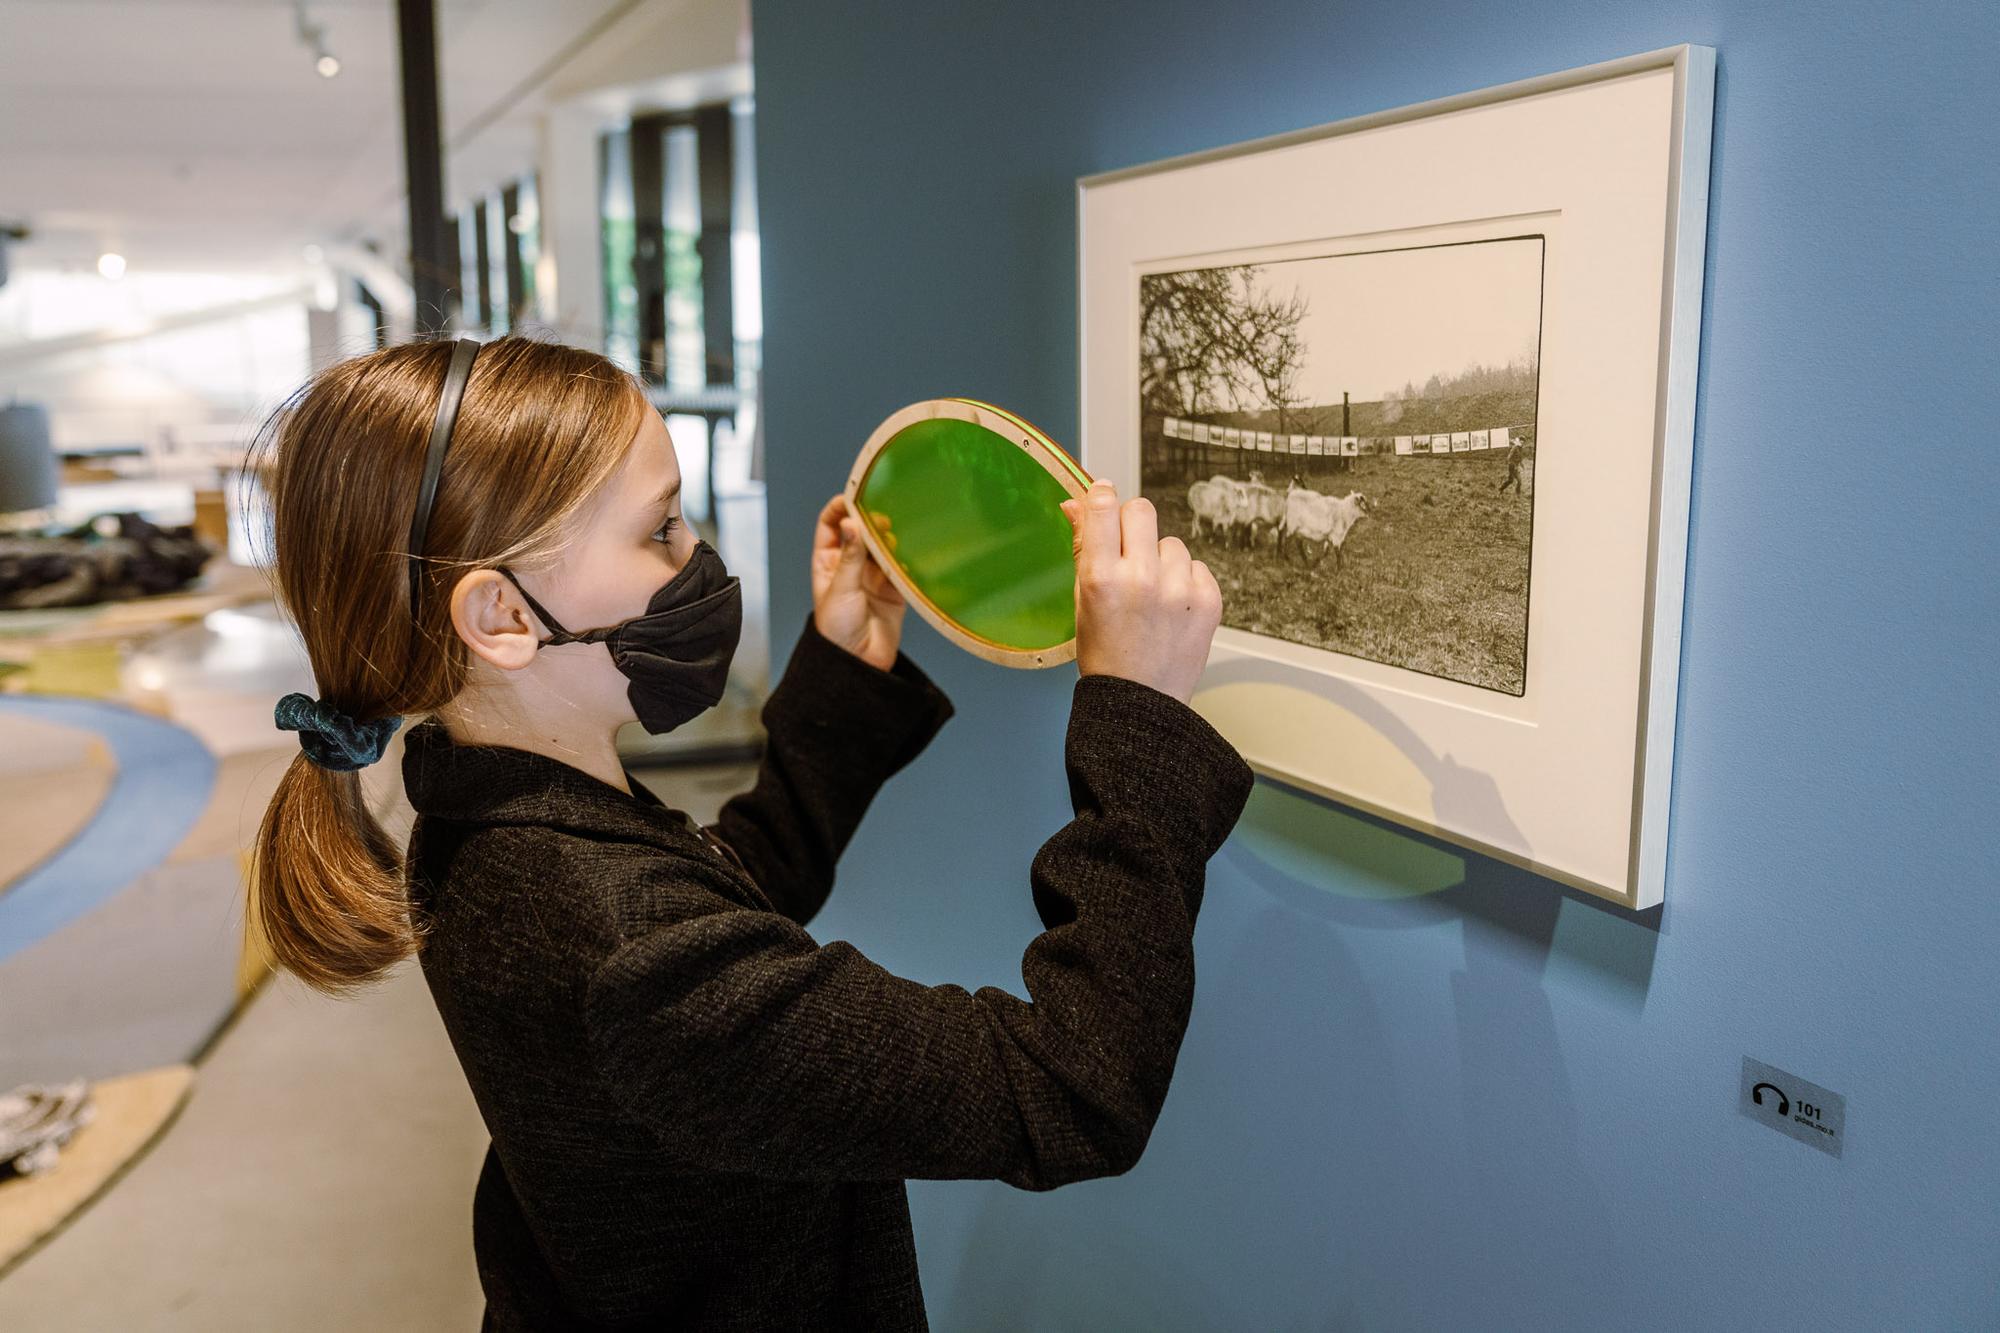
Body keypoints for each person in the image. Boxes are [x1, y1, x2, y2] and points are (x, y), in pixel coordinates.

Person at [249, 334, 1254, 1330]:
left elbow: (716, 896)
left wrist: (841, 674)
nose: (702, 559)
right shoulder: (616, 946)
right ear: (503, 616)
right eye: (662, 530)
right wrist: (1136, 720)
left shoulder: (488, 818)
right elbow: (1069, 1085)